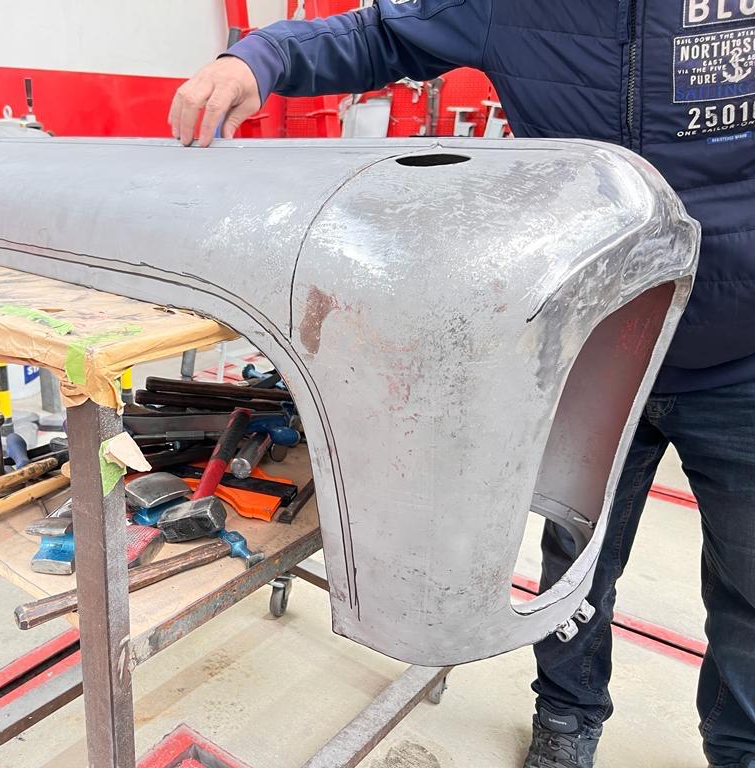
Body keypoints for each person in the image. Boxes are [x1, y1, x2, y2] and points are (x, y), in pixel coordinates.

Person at [169, 3, 755, 767]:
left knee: (751, 581)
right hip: (593, 349)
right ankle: (568, 713)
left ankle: (740, 747)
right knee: (575, 556)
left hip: (739, 358)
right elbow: (384, 31)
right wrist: (258, 58)